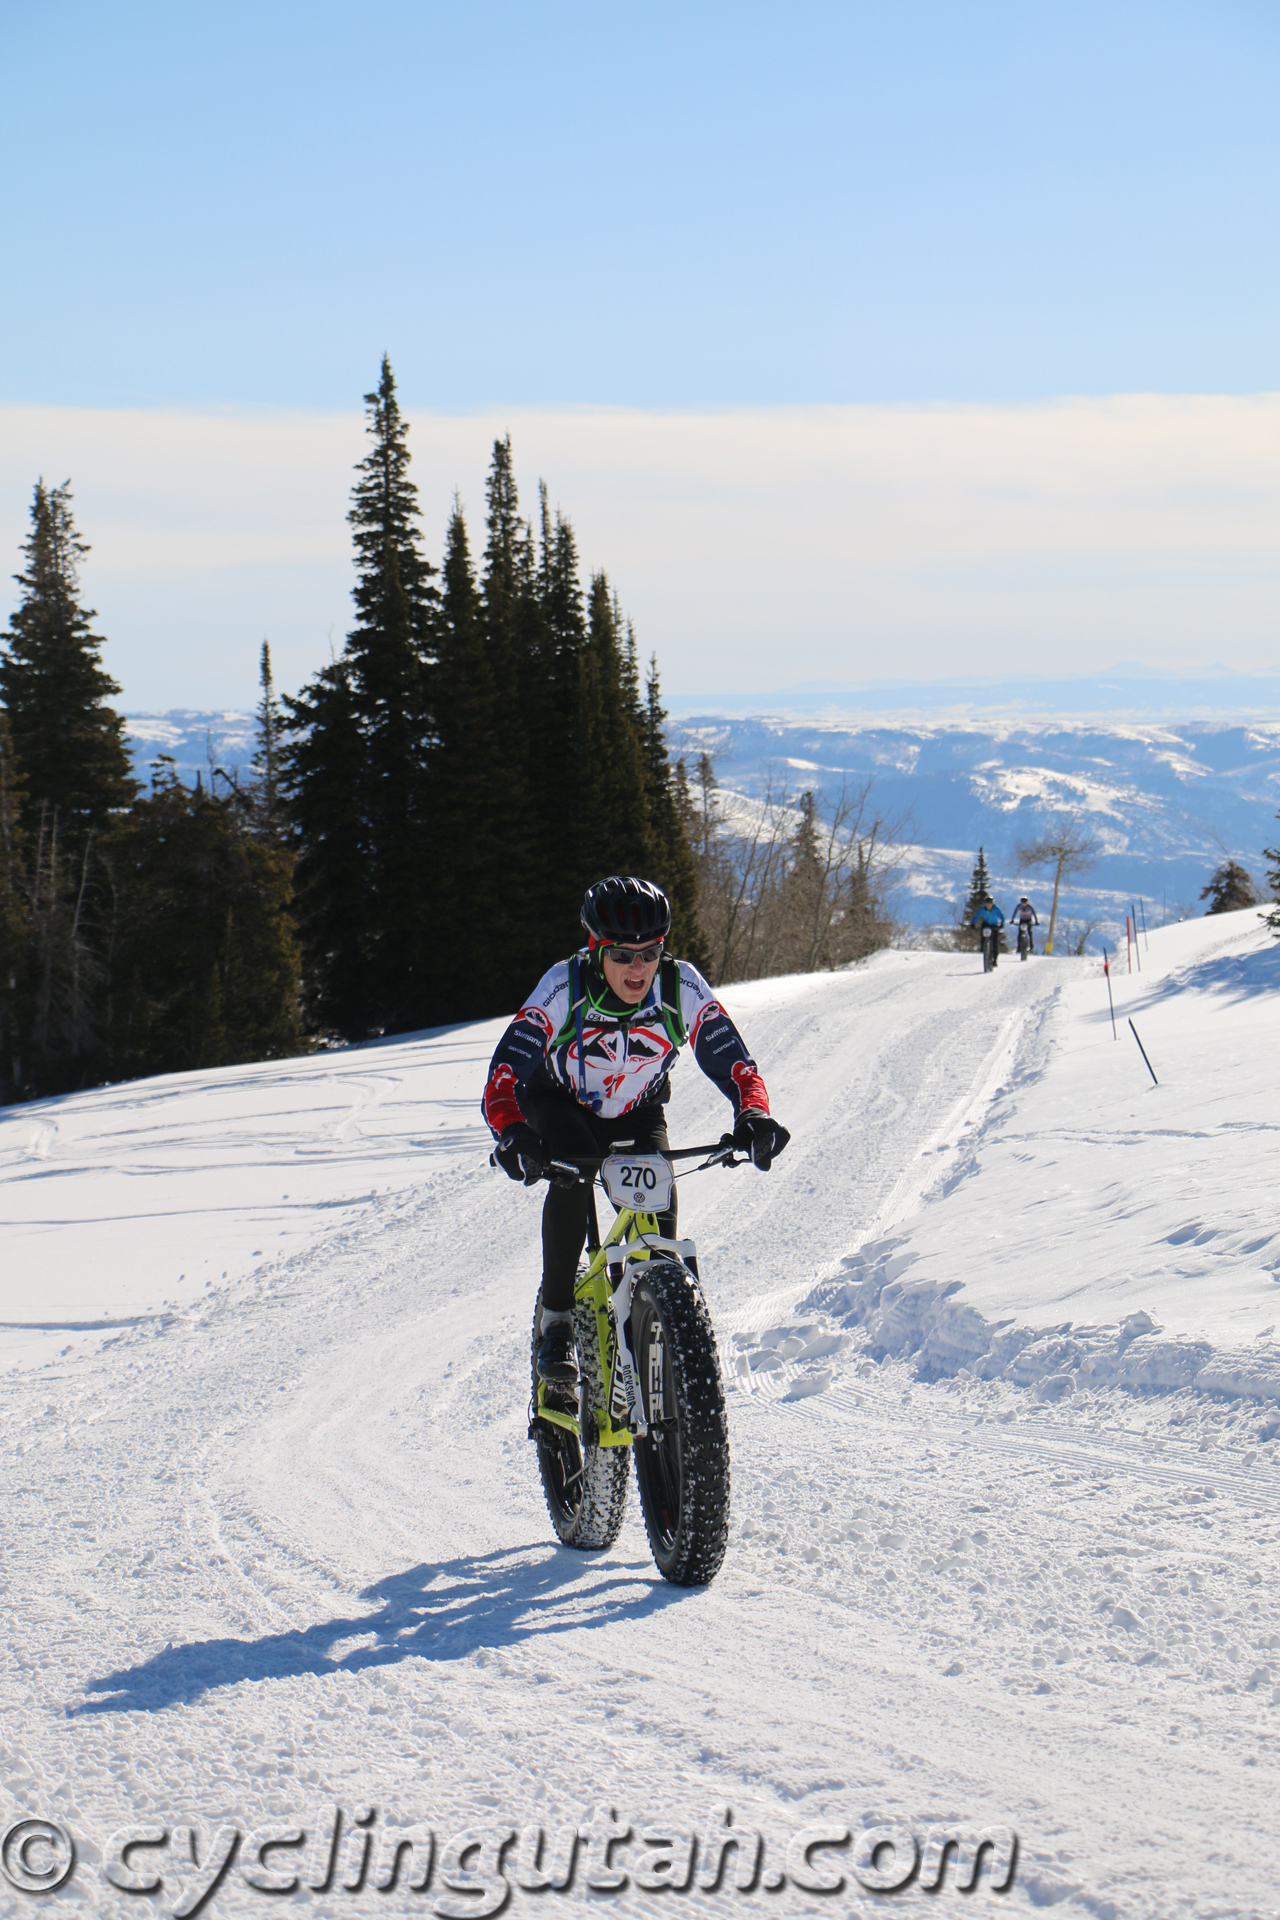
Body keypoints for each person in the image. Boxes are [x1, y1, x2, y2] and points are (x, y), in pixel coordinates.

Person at [482, 875, 790, 1385]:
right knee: (574, 1171)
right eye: (623, 955)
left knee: (657, 1211)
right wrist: (511, 1128)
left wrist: (752, 1114)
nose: (639, 967)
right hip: (559, 1102)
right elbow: (505, 1073)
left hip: (638, 1110)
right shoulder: (565, 985)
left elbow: (736, 1062)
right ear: (596, 949)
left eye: (650, 952)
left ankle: (653, 1324)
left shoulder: (679, 985)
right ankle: (556, 1319)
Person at [970, 892, 1005, 969]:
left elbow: (1001, 916)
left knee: (994, 943)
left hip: (994, 925)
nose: (988, 905)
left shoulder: (996, 909)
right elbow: (977, 916)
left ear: (992, 904)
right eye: (987, 903)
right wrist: (973, 923)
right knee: (982, 934)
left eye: (989, 904)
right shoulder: (983, 908)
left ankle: (994, 959)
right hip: (986, 924)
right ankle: (983, 947)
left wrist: (1002, 923)